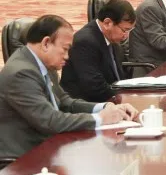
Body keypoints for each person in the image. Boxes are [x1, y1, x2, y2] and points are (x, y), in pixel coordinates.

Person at [0, 15, 136, 160]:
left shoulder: (44, 64)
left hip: (50, 145)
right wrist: (100, 119)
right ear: (46, 43)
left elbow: (65, 102)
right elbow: (50, 121)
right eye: (65, 49)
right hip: (24, 158)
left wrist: (105, 107)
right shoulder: (21, 73)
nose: (67, 57)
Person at [60, 0, 136, 102]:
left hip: (107, 100)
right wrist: (123, 100)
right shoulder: (85, 42)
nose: (126, 36)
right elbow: (94, 86)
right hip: (85, 105)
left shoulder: (112, 39)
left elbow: (118, 78)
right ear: (107, 23)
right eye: (124, 30)